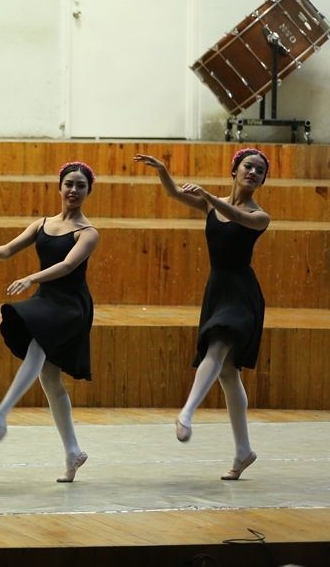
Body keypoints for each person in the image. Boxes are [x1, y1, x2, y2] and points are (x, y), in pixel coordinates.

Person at [133, 148, 269, 480]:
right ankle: (243, 452)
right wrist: (164, 170)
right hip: (217, 290)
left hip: (242, 294)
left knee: (219, 343)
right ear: (234, 170)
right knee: (227, 374)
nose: (253, 172)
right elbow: (175, 193)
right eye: (248, 166)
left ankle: (187, 412)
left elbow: (236, 218)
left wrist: (208, 194)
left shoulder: (260, 216)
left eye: (260, 171)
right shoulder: (211, 203)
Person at [0, 162, 98, 483]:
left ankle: (3, 411)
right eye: (69, 184)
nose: (73, 190)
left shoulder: (88, 233)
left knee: (38, 346)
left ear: (88, 192)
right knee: (50, 379)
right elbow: (12, 247)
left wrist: (30, 278)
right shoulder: (41, 224)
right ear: (59, 187)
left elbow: (69, 266)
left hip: (71, 304)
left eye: (80, 186)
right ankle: (73, 452)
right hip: (47, 300)